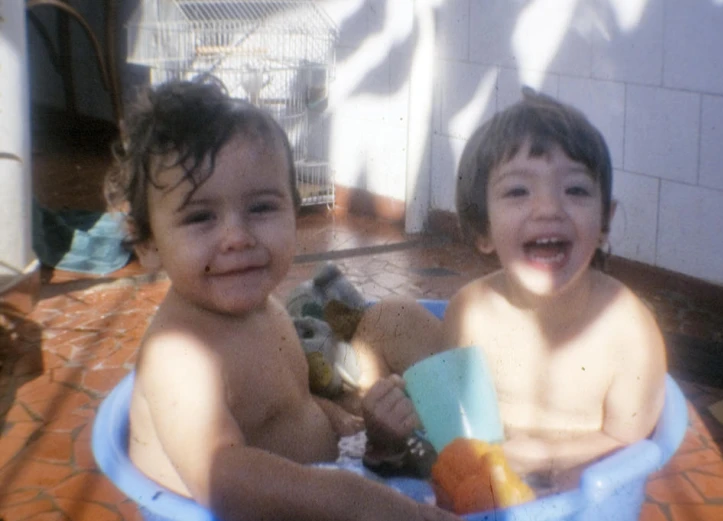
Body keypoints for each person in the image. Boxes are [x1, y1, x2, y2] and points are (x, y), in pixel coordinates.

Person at [104, 78, 459, 521]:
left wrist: (355, 430)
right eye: (200, 217)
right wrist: (357, 500)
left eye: (261, 208)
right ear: (148, 244)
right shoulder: (180, 353)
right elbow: (222, 477)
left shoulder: (264, 309)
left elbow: (287, 406)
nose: (237, 237)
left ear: (295, 212)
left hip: (327, 476)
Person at [363, 89, 667, 492]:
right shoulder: (471, 312)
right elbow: (450, 437)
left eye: (575, 190)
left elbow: (632, 450)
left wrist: (540, 458)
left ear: (605, 222)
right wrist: (387, 442)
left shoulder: (629, 334)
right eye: (518, 191)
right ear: (483, 229)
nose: (548, 208)